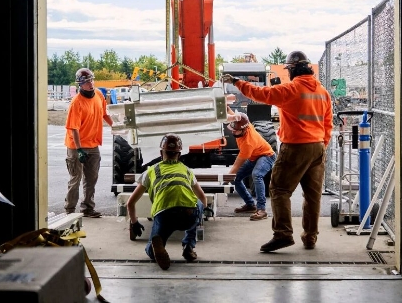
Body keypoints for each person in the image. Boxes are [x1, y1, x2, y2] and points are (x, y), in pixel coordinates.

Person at [222, 50, 333, 252]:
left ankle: (283, 234)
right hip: (317, 148)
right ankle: (310, 237)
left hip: (296, 147)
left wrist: (237, 82)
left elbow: (261, 94)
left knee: (280, 190)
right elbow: (328, 124)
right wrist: (321, 144)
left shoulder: (291, 89)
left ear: (292, 69)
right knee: (312, 195)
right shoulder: (322, 92)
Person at [126, 133, 208, 270]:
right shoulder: (187, 171)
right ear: (179, 154)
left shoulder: (151, 171)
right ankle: (188, 246)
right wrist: (201, 215)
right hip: (188, 215)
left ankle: (155, 249)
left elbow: (130, 202)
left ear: (161, 152)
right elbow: (203, 197)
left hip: (165, 215)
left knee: (151, 250)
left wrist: (134, 222)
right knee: (197, 203)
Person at [64, 67, 114, 218]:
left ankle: (87, 208)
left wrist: (116, 127)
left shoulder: (98, 94)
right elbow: (74, 129)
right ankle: (70, 210)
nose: (90, 83)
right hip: (77, 146)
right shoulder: (76, 103)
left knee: (91, 179)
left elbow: (104, 114)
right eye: (86, 82)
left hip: (93, 145)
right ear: (80, 84)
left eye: (91, 80)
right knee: (75, 179)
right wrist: (79, 150)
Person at [226, 107, 277, 221]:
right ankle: (250, 204)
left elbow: (236, 166)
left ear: (244, 130)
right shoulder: (244, 124)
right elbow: (235, 116)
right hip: (254, 156)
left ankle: (261, 210)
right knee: (236, 178)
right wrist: (226, 107)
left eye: (236, 130)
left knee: (257, 175)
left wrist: (225, 179)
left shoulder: (248, 143)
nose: (233, 131)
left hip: (266, 156)